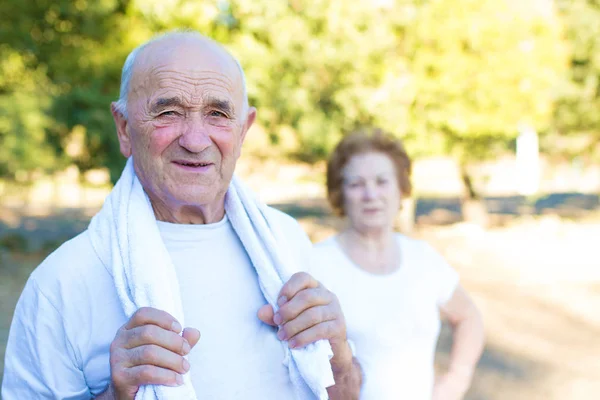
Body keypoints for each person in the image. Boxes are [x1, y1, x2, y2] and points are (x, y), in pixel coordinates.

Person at [1, 31, 362, 399]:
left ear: (243, 131)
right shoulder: (63, 282)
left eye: (218, 114)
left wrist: (340, 358)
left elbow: (344, 392)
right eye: (168, 112)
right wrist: (116, 394)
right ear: (124, 128)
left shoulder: (286, 244)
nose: (195, 139)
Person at [311, 129, 485, 400]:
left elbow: (469, 317)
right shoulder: (317, 265)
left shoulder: (423, 258)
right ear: (339, 193)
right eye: (356, 184)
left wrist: (454, 382)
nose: (370, 194)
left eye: (382, 181)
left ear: (401, 188)